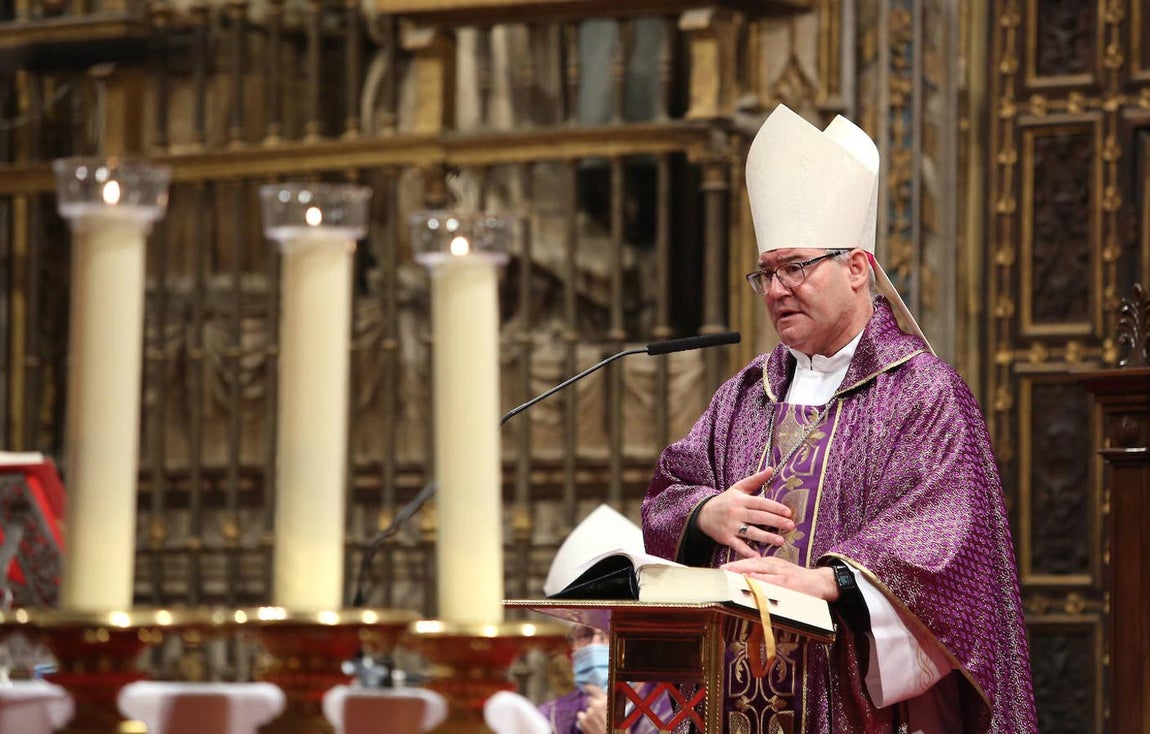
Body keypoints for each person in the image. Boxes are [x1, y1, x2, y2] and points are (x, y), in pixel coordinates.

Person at [641, 104, 1038, 733]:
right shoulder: (744, 395)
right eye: (766, 273)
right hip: (733, 700)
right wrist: (705, 512)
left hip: (853, 703)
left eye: (795, 267)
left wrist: (831, 581)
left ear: (857, 268)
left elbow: (950, 544)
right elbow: (667, 494)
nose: (776, 289)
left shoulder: (923, 394)